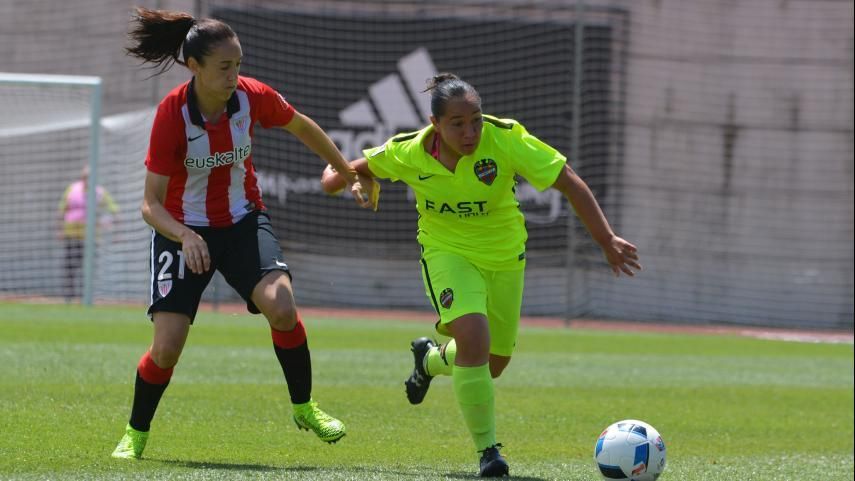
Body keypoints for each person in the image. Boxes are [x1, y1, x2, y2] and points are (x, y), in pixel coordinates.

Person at [320, 73, 641, 477]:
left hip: (505, 257)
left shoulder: (505, 138)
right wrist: (358, 184)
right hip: (446, 253)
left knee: (492, 363)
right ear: (435, 124)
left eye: (476, 120)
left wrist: (606, 238)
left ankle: (430, 362)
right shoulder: (408, 151)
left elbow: (569, 182)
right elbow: (337, 174)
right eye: (457, 123)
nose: (470, 131)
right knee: (474, 337)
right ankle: (489, 453)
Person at [111, 7, 375, 460]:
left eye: (239, 64)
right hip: (181, 231)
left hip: (242, 221)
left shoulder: (251, 96)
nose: (235, 75)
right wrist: (186, 236)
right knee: (167, 349)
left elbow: (301, 125)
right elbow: (149, 205)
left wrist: (348, 170)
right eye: (224, 67)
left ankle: (304, 406)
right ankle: (136, 433)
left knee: (283, 308)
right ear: (194, 67)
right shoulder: (172, 115)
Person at [57, 165, 119, 301]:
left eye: (90, 177)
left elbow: (113, 210)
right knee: (70, 266)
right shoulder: (72, 189)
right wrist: (60, 229)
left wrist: (113, 228)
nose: (87, 180)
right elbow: (62, 209)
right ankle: (69, 297)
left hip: (90, 237)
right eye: (85, 177)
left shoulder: (100, 192)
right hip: (72, 234)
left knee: (87, 267)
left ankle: (85, 296)